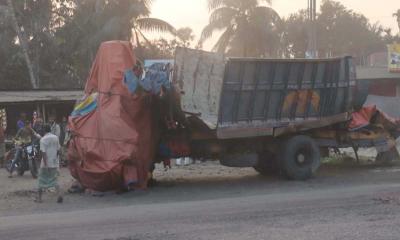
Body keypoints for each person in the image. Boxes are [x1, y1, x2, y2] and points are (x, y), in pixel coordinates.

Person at [35, 124, 63, 203]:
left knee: (41, 181)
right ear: (50, 129)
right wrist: (56, 159)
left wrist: (46, 163)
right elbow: (58, 150)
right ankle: (59, 194)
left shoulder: (43, 139)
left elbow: (43, 153)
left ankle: (39, 199)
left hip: (45, 164)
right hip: (54, 162)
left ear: (44, 131)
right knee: (54, 180)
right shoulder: (56, 138)